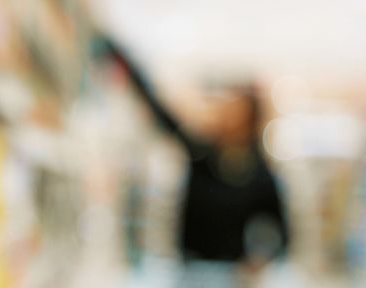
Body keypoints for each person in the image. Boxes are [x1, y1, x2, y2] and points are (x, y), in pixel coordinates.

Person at [101, 37, 290, 267]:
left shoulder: (261, 176)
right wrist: (120, 55)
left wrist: (260, 259)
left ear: (249, 118)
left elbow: (283, 235)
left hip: (232, 283)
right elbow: (160, 112)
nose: (225, 112)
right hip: (189, 273)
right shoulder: (201, 153)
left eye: (234, 109)